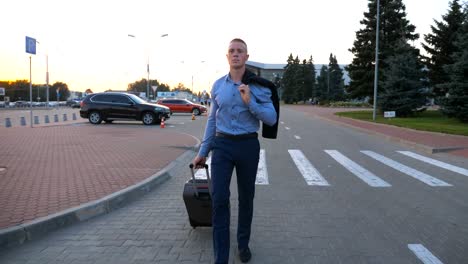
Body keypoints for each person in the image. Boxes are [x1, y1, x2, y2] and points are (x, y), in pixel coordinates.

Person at [192, 38, 277, 264]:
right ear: (227, 56)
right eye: (232, 51)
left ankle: (243, 244)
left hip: (248, 145)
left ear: (246, 57)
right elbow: (212, 120)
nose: (236, 54)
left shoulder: (258, 86)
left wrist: (250, 102)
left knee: (246, 198)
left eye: (240, 51)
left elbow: (271, 118)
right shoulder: (218, 85)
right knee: (219, 199)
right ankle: (221, 257)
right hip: (222, 146)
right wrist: (203, 151)